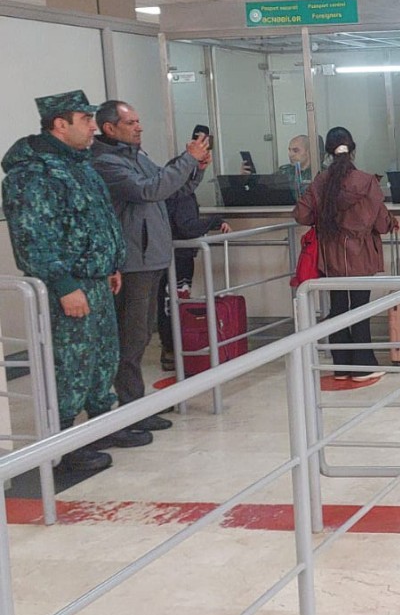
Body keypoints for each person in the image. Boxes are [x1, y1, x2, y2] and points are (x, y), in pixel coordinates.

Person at [2, 91, 136, 472]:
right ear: (60, 124)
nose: (93, 127)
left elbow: (97, 220)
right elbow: (33, 237)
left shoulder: (80, 166)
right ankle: (63, 447)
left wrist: (111, 264)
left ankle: (100, 428)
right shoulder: (32, 174)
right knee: (70, 367)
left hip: (96, 280)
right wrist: (63, 285)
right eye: (85, 120)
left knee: (102, 361)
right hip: (68, 287)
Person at [92, 100, 210, 434]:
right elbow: (149, 189)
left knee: (143, 334)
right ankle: (129, 409)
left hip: (152, 257)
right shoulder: (105, 162)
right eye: (131, 123)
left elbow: (171, 190)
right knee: (130, 338)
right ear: (110, 128)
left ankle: (135, 404)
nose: (139, 127)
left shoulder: (137, 157)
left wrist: (196, 168)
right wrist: (186, 159)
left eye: (139, 121)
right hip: (132, 262)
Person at [294, 127, 399, 381]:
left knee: (338, 307)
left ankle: (341, 366)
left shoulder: (320, 182)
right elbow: (381, 223)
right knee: (360, 308)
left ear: (328, 152)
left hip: (331, 256)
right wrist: (390, 221)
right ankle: (363, 365)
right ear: (352, 149)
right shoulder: (366, 181)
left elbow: (301, 214)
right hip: (361, 254)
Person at [155, 192, 232, 371]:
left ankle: (171, 348)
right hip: (178, 256)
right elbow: (186, 226)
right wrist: (214, 222)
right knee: (175, 302)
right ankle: (173, 348)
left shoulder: (166, 190)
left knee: (168, 302)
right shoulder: (182, 194)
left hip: (164, 255)